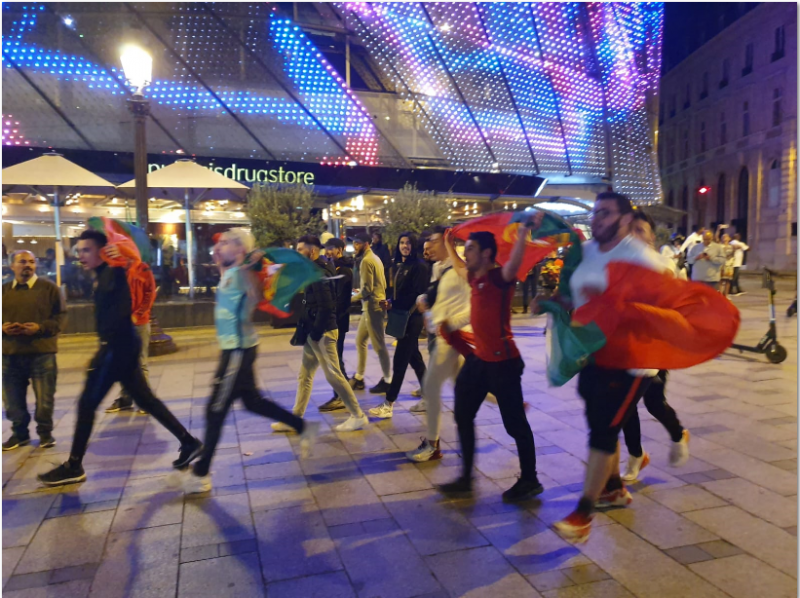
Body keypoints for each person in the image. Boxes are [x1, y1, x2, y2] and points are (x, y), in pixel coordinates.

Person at [547, 192, 668, 543]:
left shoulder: (642, 258)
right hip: (596, 355)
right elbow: (578, 299)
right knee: (597, 422)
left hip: (632, 362)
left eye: (605, 212)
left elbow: (662, 307)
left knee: (603, 430)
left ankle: (583, 513)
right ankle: (613, 489)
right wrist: (558, 301)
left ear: (625, 219)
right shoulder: (586, 254)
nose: (597, 217)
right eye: (595, 211)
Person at [38, 230, 202, 487]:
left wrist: (104, 354)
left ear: (103, 251)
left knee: (86, 405)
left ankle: (73, 465)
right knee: (146, 400)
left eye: (87, 250)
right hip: (120, 346)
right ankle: (189, 442)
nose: (80, 255)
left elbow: (129, 287)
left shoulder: (113, 273)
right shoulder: (103, 275)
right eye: (79, 250)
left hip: (116, 349)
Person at [178, 230, 319, 493]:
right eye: (218, 242)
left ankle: (201, 473)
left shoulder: (243, 273)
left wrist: (253, 265)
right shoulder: (232, 272)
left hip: (237, 351)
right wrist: (226, 265)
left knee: (215, 410)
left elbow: (255, 294)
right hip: (236, 348)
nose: (219, 246)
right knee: (252, 401)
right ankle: (302, 427)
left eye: (226, 243)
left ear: (240, 249)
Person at [437, 218, 543, 503]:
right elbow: (459, 266)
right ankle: (465, 479)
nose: (465, 253)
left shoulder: (500, 278)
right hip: (479, 361)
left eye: (469, 248)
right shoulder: (475, 277)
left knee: (515, 424)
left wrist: (522, 232)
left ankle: (530, 480)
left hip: (503, 363)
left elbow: (514, 263)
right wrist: (449, 242)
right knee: (462, 415)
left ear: (485, 254)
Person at [620, 210, 690, 482]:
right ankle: (636, 454)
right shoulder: (618, 266)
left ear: (651, 235)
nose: (634, 235)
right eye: (630, 230)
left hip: (656, 347)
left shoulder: (665, 266)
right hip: (625, 346)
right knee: (626, 405)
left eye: (640, 230)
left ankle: (677, 434)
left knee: (652, 403)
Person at [272, 235, 368, 433]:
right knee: (304, 375)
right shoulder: (314, 269)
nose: (298, 253)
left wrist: (315, 333)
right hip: (314, 331)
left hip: (322, 332)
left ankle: (358, 415)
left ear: (312, 251)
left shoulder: (319, 272)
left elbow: (326, 306)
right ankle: (295, 419)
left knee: (334, 375)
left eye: (300, 249)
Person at [407, 227, 471, 462]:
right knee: (469, 384)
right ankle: (513, 406)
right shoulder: (437, 268)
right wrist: (423, 302)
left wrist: (448, 323)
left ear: (448, 241)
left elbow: (471, 306)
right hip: (441, 335)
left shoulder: (461, 268)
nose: (428, 247)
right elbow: (434, 296)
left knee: (432, 386)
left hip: (456, 337)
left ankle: (433, 444)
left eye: (432, 241)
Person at [2, 250, 65, 451]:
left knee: (45, 400)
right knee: (12, 401)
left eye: (31, 261)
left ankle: (45, 433)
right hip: (10, 355)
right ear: (12, 266)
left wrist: (40, 328)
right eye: (22, 262)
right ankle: (19, 434)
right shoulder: (4, 290)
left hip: (41, 353)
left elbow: (61, 317)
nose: (27, 265)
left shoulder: (49, 288)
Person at [369, 233, 429, 419]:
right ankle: (429, 395)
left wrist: (394, 303)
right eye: (402, 242)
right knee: (415, 358)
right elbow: (398, 292)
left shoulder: (419, 266)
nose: (405, 246)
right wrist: (390, 302)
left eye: (409, 243)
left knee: (400, 361)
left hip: (412, 318)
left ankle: (389, 403)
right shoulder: (398, 265)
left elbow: (416, 294)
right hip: (402, 316)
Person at [105, 247, 157, 415]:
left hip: (139, 322)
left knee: (140, 362)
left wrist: (139, 314)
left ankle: (145, 400)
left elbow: (150, 293)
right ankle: (126, 398)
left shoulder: (143, 269)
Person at [349, 233, 393, 393]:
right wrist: (359, 292)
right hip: (372, 306)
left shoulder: (367, 261)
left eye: (357, 243)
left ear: (366, 243)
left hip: (373, 307)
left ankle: (388, 380)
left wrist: (351, 298)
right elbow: (372, 286)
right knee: (360, 340)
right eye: (354, 243)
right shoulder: (374, 258)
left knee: (379, 345)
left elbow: (367, 291)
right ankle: (359, 377)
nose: (355, 246)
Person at [318, 237, 355, 412]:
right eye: (326, 248)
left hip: (337, 320)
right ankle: (344, 390)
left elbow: (338, 299)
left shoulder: (344, 270)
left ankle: (340, 396)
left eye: (331, 248)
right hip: (333, 320)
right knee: (335, 359)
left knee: (335, 359)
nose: (327, 251)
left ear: (340, 250)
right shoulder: (333, 267)